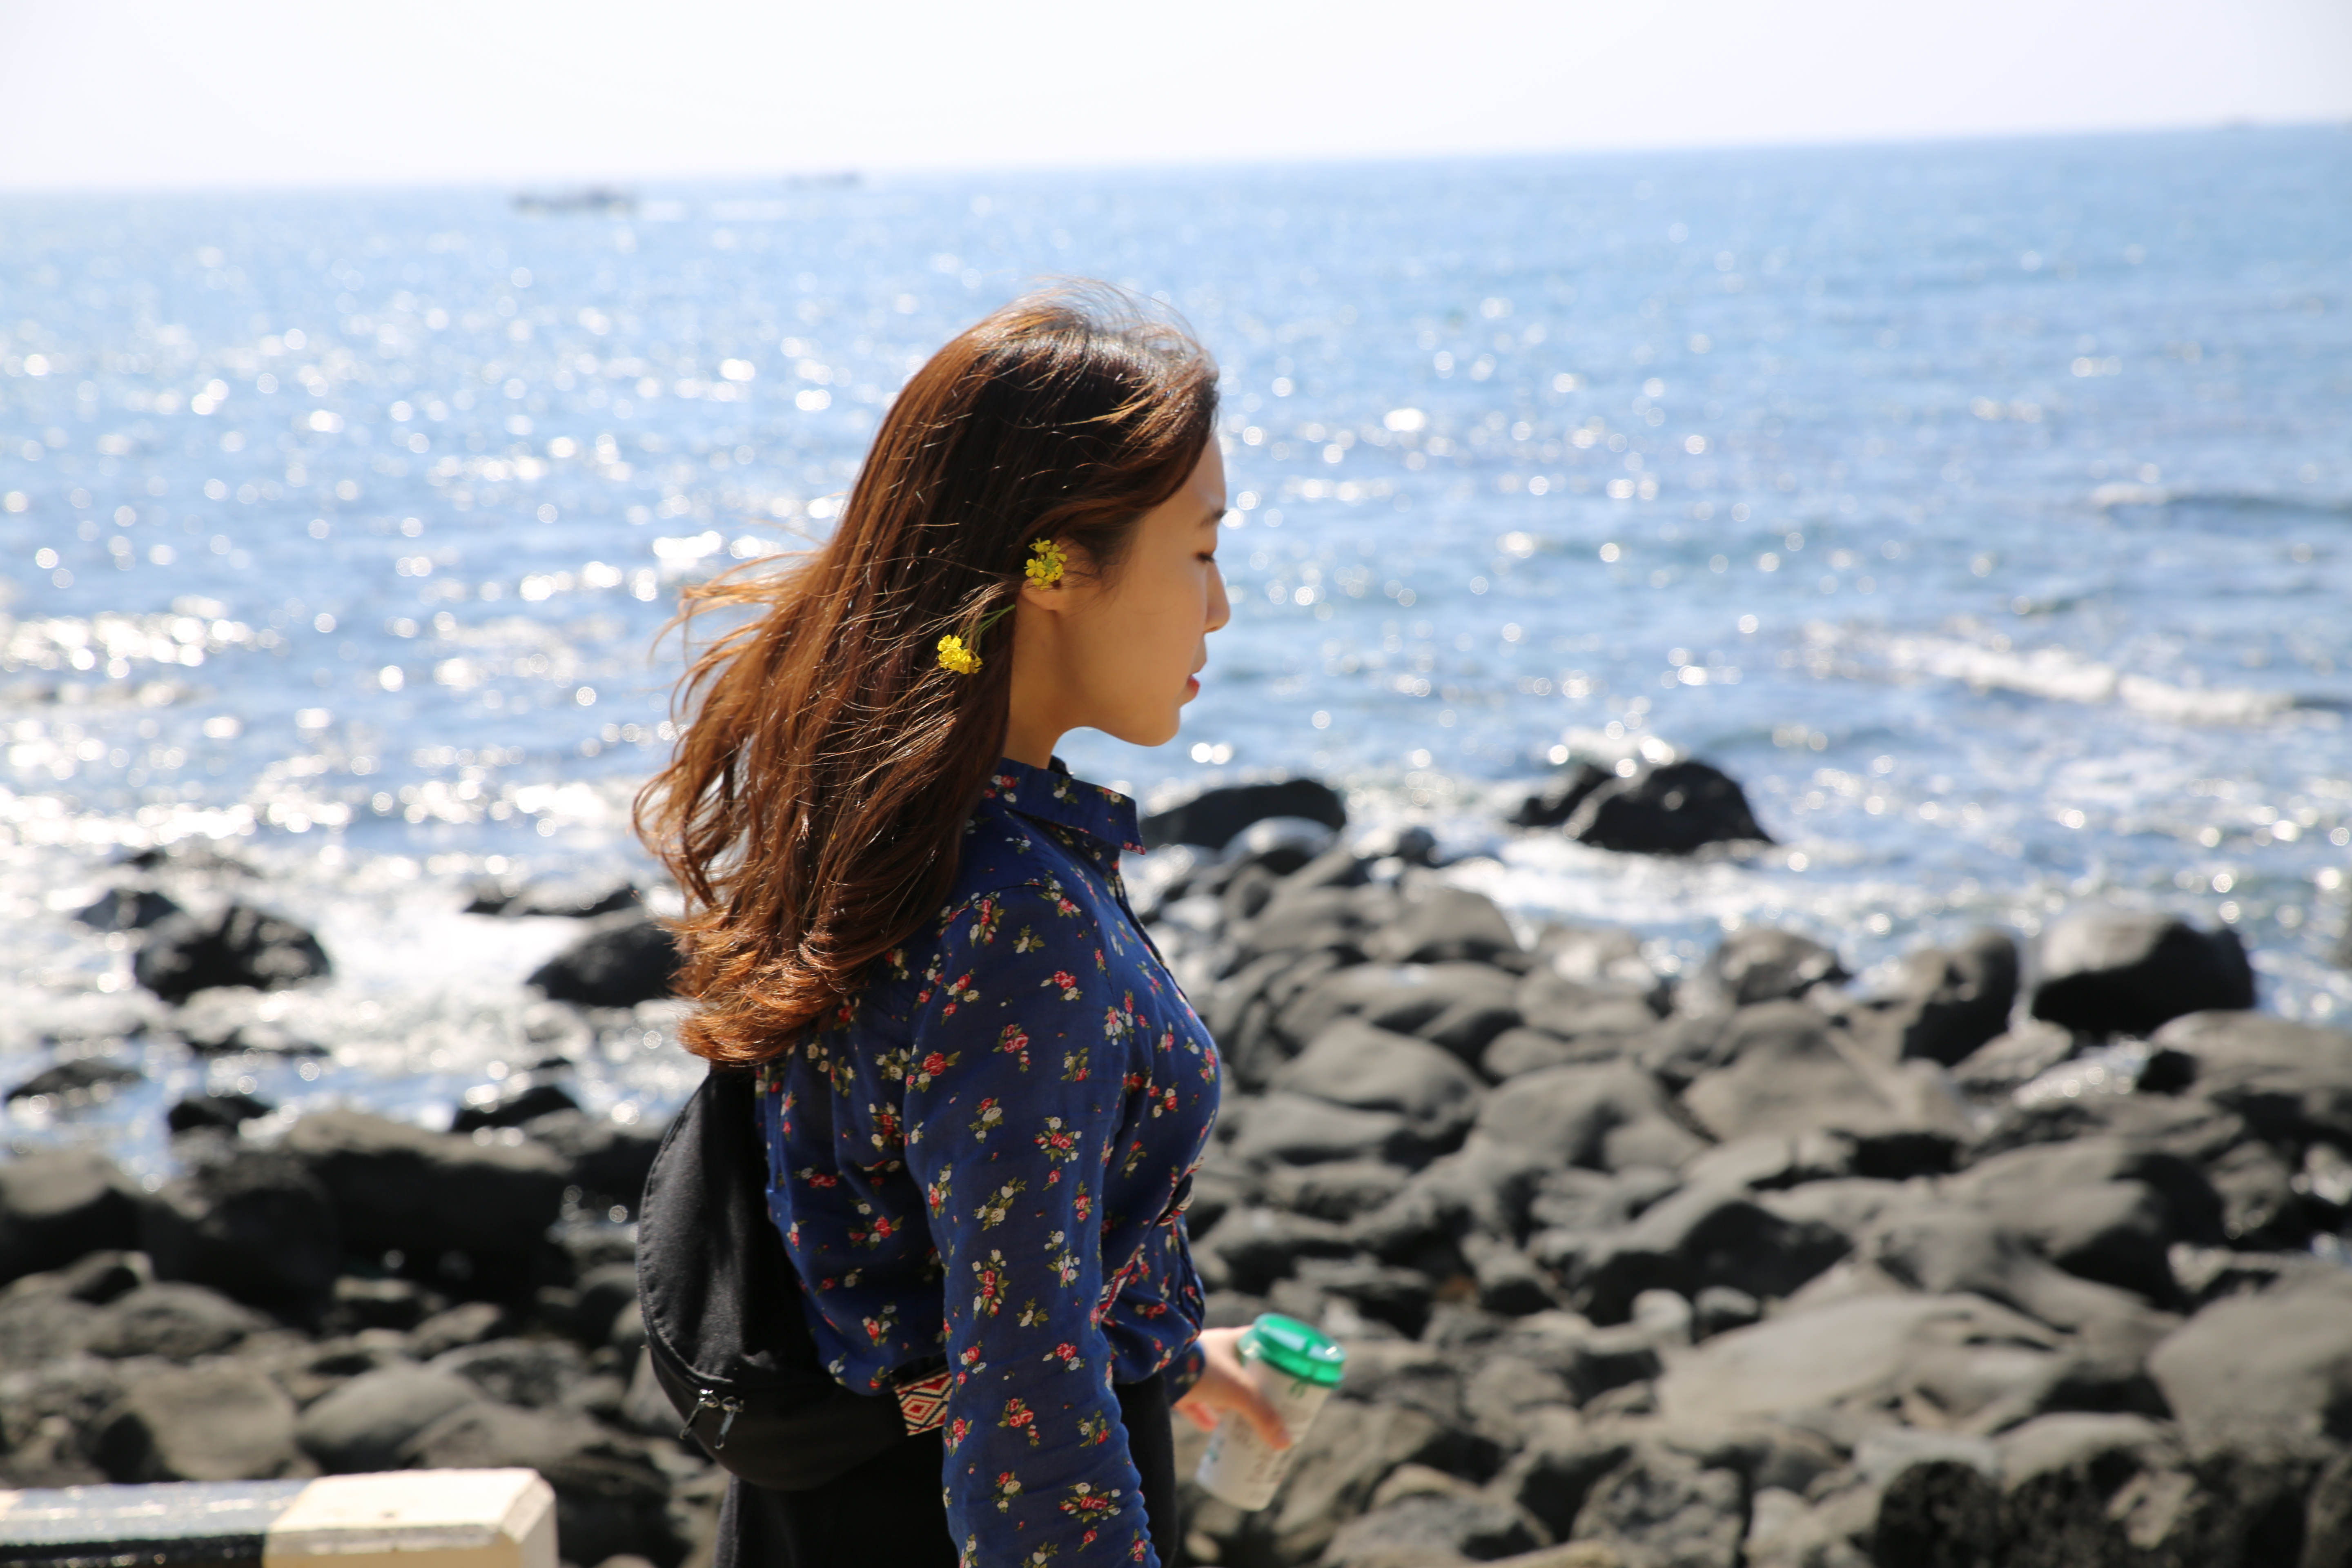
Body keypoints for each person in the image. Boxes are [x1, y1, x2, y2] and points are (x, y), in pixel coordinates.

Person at [637, 285, 1290, 1568]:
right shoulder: (1014, 917)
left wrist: (1157, 1346)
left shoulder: (898, 822)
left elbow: (930, 1241)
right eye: (1203, 551)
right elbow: (1026, 1417)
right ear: (1056, 563)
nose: (1219, 609)